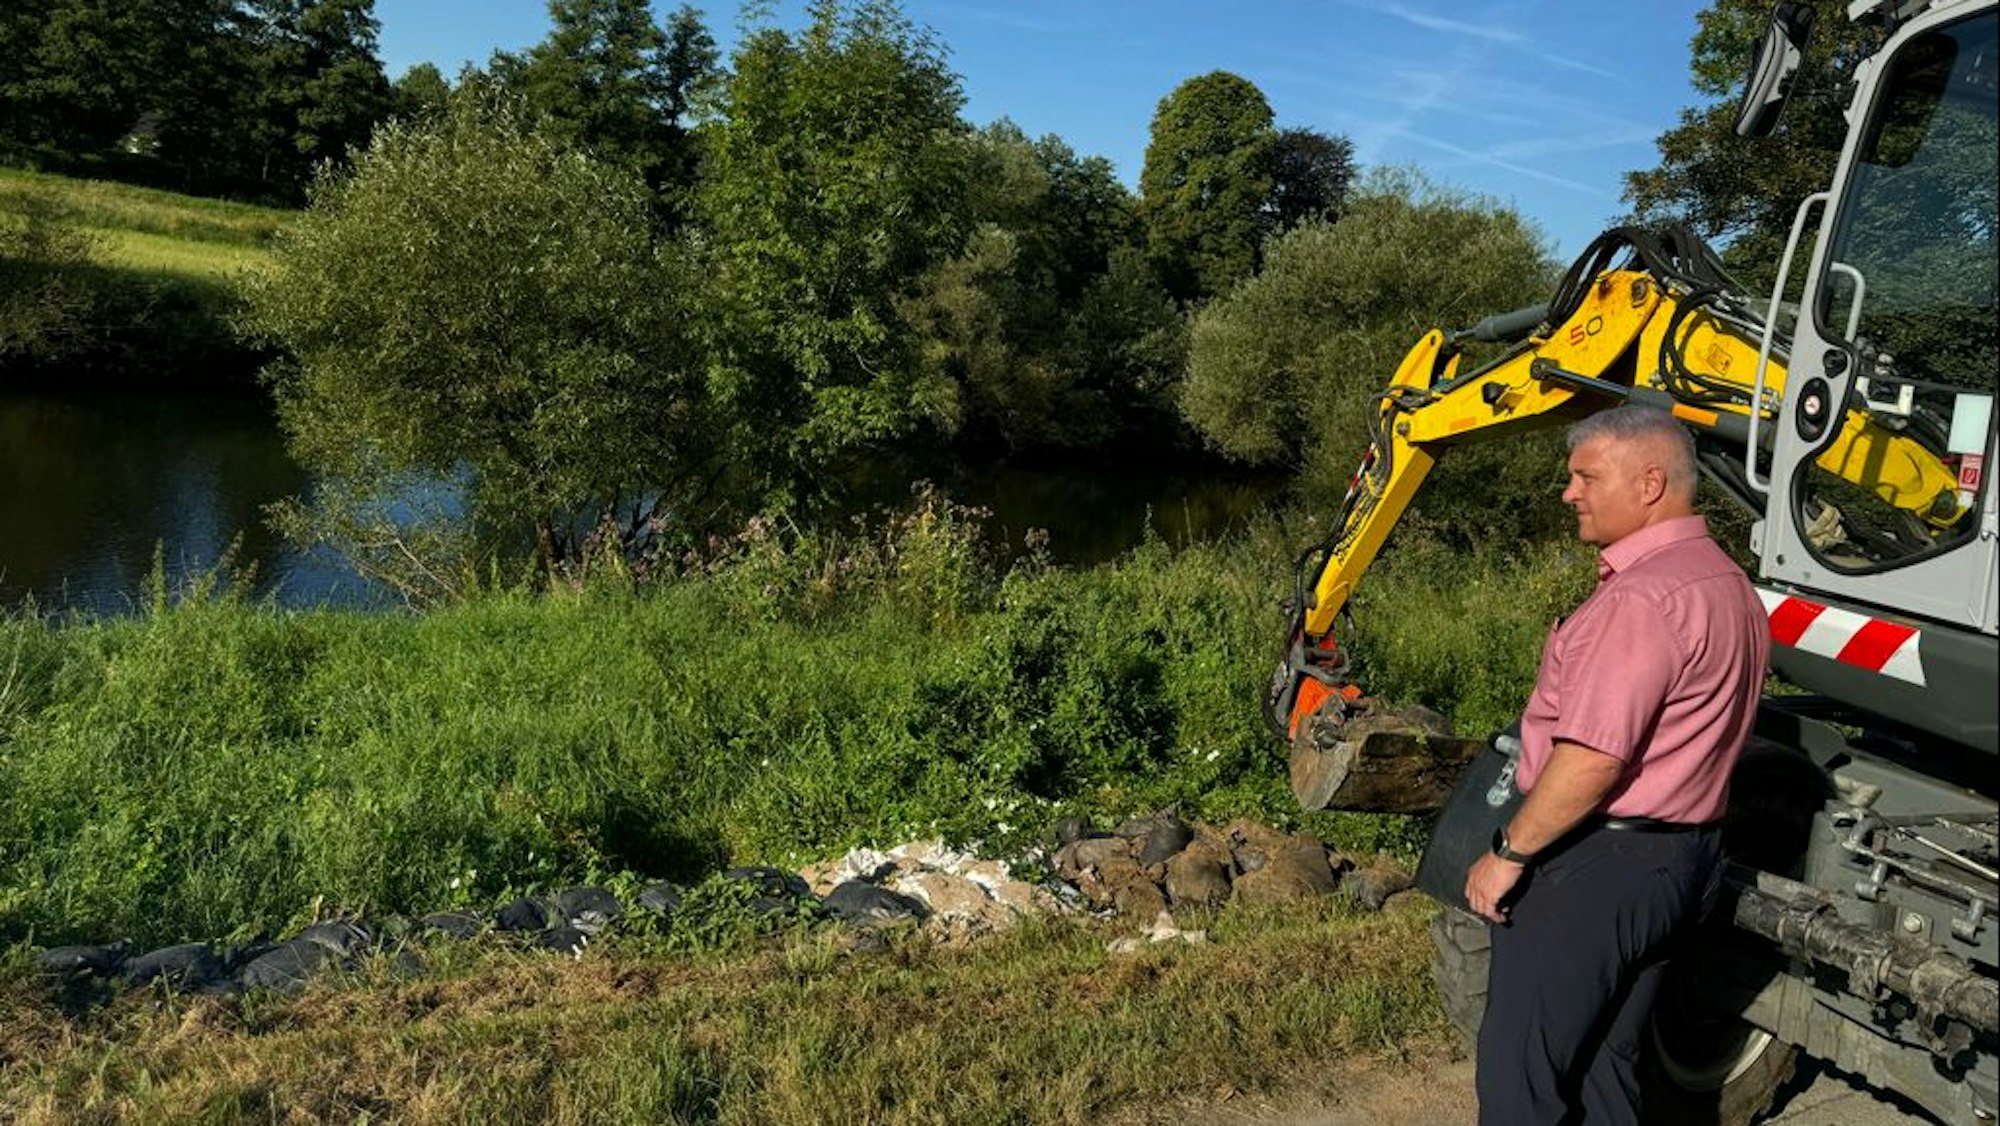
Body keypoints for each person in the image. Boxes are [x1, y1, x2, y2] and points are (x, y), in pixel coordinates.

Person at [1465, 404, 1769, 1125]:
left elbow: (1595, 759)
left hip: (1600, 868)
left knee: (1519, 1083)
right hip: (1683, 861)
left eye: (1586, 476)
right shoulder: (1728, 585)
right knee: (1607, 1070)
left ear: (1650, 483)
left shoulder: (1642, 598)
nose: (1569, 491)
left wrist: (1508, 851)